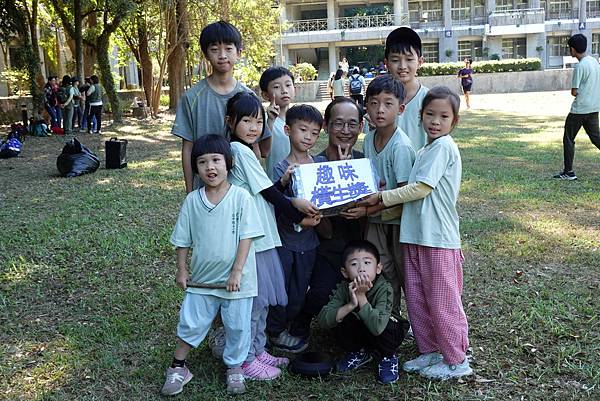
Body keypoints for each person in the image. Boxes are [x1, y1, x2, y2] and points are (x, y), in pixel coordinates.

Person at [359, 86, 472, 380]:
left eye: (443, 116)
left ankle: (456, 359)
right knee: (419, 298)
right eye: (430, 115)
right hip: (414, 236)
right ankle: (431, 350)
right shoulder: (424, 150)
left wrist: (383, 198)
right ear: (420, 116)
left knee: (443, 299)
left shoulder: (444, 147)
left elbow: (421, 188)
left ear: (454, 122)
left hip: (438, 239)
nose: (435, 121)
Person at [224, 92, 320, 380]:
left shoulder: (248, 151)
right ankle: (246, 360)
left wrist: (282, 183)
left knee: (261, 302)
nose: (254, 128)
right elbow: (268, 194)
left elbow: (266, 189)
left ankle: (259, 349)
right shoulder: (239, 151)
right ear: (230, 122)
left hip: (261, 235)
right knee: (253, 304)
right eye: (246, 121)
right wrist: (298, 215)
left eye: (258, 121)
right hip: (252, 238)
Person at [161, 135, 264, 396]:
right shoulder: (193, 201)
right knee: (191, 322)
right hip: (203, 281)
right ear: (196, 167)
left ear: (227, 163)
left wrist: (236, 272)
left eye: (216, 160)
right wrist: (182, 269)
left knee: (238, 326)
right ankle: (178, 366)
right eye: (203, 162)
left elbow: (246, 236)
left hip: (237, 282)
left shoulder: (241, 197)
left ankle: (235, 368)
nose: (210, 167)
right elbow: (183, 239)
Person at [290, 97, 367, 343]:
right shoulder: (314, 166)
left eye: (352, 124)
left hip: (361, 247)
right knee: (320, 292)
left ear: (361, 127)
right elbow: (325, 231)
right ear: (326, 125)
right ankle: (302, 321)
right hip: (326, 248)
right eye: (338, 124)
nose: (345, 131)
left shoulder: (365, 163)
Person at [342, 75, 416, 309]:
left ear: (401, 108)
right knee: (382, 271)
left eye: (387, 104)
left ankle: (413, 321)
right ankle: (387, 317)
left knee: (405, 273)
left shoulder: (401, 146)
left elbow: (404, 195)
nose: (380, 110)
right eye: (373, 103)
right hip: (375, 220)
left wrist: (366, 210)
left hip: (398, 222)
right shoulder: (370, 138)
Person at [266, 104, 323, 353]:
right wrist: (285, 182)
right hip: (285, 241)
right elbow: (273, 202)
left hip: (310, 242)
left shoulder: (319, 164)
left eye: (314, 133)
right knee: (281, 289)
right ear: (288, 130)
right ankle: (275, 331)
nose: (308, 137)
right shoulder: (280, 168)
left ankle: (288, 328)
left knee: (300, 289)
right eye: (303, 130)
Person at [172, 21, 250, 193]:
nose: (222, 55)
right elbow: (187, 148)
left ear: (239, 53)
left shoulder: (249, 96)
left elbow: (258, 148)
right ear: (206, 54)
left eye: (228, 49)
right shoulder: (191, 97)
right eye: (214, 49)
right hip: (205, 189)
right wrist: (190, 191)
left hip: (241, 188)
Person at [317, 240, 409, 384]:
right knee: (341, 317)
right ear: (344, 272)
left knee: (388, 326)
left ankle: (388, 357)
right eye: (354, 264)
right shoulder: (343, 288)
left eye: (367, 263)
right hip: (363, 332)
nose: (361, 269)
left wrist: (361, 297)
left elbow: (378, 327)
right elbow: (323, 321)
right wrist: (351, 305)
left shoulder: (384, 288)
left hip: (385, 333)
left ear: (378, 268)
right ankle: (359, 352)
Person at [553, 34, 600, 181]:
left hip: (579, 109)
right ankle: (568, 172)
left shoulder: (580, 66)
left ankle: (569, 172)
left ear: (573, 49)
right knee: (596, 138)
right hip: (594, 107)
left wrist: (578, 92)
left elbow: (574, 91)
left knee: (568, 138)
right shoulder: (594, 62)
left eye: (569, 49)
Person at [384, 26, 429, 150]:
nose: (402, 66)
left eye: (409, 59)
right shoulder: (379, 101)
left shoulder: (430, 100)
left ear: (420, 62)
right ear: (386, 63)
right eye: (395, 60)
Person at [258, 66, 295, 181]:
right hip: (277, 182)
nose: (284, 90)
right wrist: (270, 121)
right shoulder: (262, 120)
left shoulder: (299, 117)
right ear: (265, 95)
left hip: (299, 179)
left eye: (288, 85)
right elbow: (263, 152)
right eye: (277, 87)